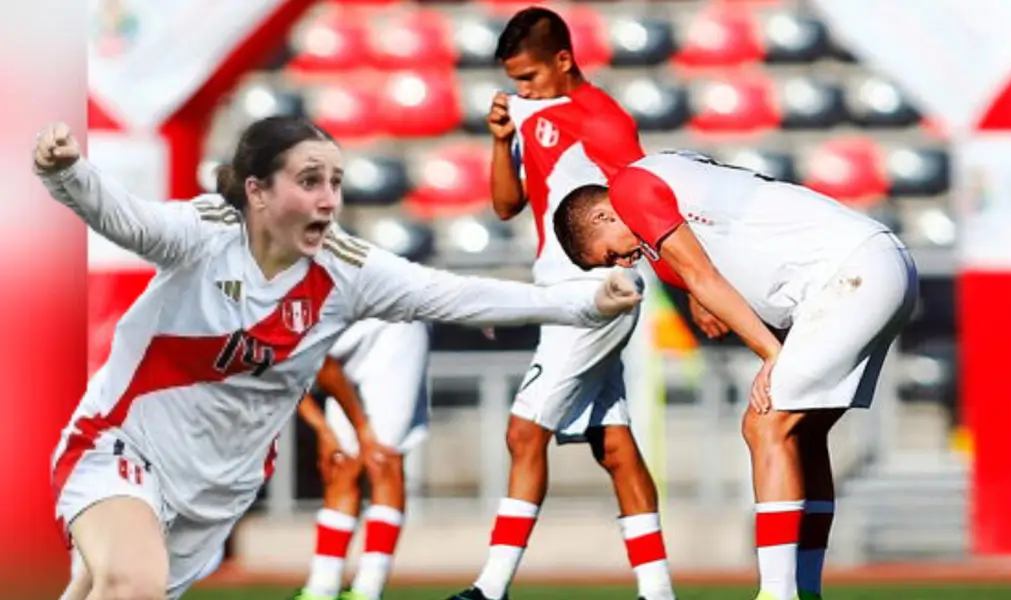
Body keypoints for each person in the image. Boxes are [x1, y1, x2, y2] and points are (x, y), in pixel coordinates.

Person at [39, 115, 642, 600]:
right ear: (256, 190)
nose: (329, 199)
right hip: (122, 447)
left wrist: (586, 300)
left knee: (100, 586)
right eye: (309, 180)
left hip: (217, 491)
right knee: (130, 586)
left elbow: (454, 295)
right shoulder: (203, 235)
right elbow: (128, 219)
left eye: (335, 181)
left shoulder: (348, 270)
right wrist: (68, 173)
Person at [552, 150, 919, 600]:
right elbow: (706, 228)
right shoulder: (663, 180)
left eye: (610, 254)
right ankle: (804, 589)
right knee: (803, 434)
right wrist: (694, 294)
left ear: (605, 213)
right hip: (876, 262)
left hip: (848, 272)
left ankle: (777, 593)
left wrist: (770, 354)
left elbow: (701, 272)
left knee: (765, 422)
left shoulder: (629, 187)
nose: (623, 264)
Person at [445, 8, 676, 600]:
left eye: (529, 77)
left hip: (595, 291)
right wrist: (501, 141)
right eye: (515, 79)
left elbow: (649, 204)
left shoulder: (604, 119)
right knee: (615, 446)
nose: (520, 89)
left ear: (564, 61)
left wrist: (691, 287)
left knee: (525, 433)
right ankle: (658, 594)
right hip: (562, 291)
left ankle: (490, 588)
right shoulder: (531, 114)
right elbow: (504, 205)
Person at [294, 316, 430, 600]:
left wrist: (362, 430)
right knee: (341, 464)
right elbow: (280, 383)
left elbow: (322, 366)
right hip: (335, 338)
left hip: (391, 323)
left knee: (382, 459)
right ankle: (322, 588)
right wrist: (323, 431)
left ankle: (369, 589)